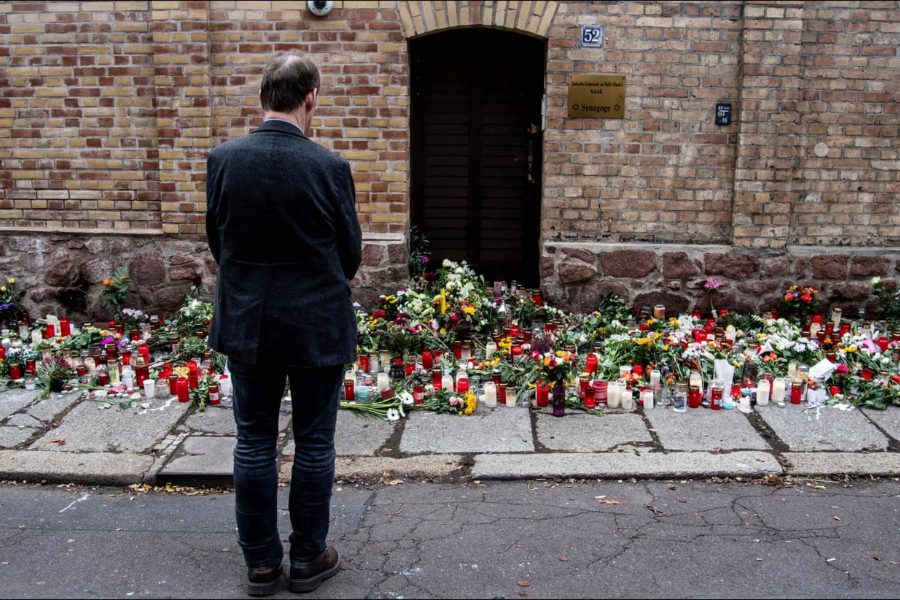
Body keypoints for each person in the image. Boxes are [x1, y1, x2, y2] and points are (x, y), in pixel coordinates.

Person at [206, 51, 362, 596]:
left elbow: (217, 241)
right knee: (315, 444)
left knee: (252, 442)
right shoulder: (329, 167)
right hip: (316, 321)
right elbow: (350, 254)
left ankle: (262, 564)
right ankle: (309, 558)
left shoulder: (223, 159)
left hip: (248, 320)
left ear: (263, 98)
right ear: (310, 97)